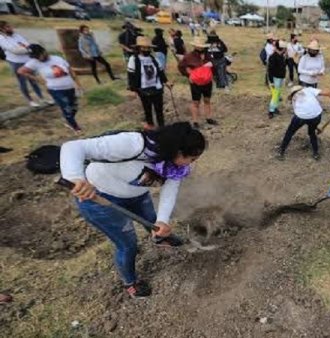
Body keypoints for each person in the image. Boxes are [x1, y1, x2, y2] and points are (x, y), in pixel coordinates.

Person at [59, 122, 206, 298]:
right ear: (179, 152)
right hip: (100, 200)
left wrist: (162, 221)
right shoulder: (134, 144)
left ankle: (160, 239)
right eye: (192, 158)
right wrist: (75, 178)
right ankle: (130, 283)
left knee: (153, 220)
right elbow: (73, 147)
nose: (191, 164)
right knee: (128, 245)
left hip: (137, 194)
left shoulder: (175, 166)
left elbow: (170, 190)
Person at [18, 44, 84, 133]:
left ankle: (68, 120)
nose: (38, 58)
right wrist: (37, 79)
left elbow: (70, 70)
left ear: (44, 51)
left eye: (39, 55)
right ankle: (75, 127)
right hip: (55, 89)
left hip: (69, 87)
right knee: (66, 107)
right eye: (35, 56)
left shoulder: (57, 58)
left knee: (74, 107)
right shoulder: (34, 63)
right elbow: (21, 71)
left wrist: (78, 84)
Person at [277, 85, 330, 161]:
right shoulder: (309, 90)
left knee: (290, 132)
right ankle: (316, 153)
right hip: (316, 115)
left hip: (301, 116)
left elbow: (305, 115)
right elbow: (328, 92)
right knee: (312, 133)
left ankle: (281, 151)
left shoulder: (294, 99)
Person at [127, 36, 172, 130]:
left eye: (148, 48)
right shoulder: (134, 59)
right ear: (139, 48)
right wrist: (133, 89)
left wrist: (166, 82)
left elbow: (160, 72)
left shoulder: (154, 59)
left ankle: (162, 127)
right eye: (143, 48)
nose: (146, 49)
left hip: (156, 87)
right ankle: (150, 126)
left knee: (159, 109)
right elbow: (131, 75)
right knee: (147, 109)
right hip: (143, 88)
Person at [0, 21, 48, 107]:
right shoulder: (1, 39)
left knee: (33, 80)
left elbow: (27, 44)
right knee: (22, 82)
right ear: (2, 29)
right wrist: (29, 50)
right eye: (8, 27)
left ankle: (41, 98)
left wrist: (27, 48)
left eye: (10, 26)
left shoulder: (17, 35)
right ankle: (30, 100)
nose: (11, 28)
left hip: (27, 60)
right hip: (15, 62)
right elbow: (14, 50)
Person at [178, 37, 215, 128]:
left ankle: (208, 117)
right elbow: (181, 66)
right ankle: (195, 121)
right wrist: (188, 74)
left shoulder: (208, 55)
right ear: (195, 46)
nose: (201, 48)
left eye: (202, 46)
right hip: (195, 82)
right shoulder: (189, 56)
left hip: (207, 82)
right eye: (199, 46)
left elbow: (213, 65)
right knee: (196, 102)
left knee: (207, 100)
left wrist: (211, 74)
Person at [267, 40, 287, 118]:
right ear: (282, 48)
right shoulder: (273, 57)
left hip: (280, 78)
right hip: (275, 79)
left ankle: (275, 107)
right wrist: (271, 81)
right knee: (275, 95)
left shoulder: (281, 56)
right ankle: (271, 110)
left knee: (278, 94)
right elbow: (270, 70)